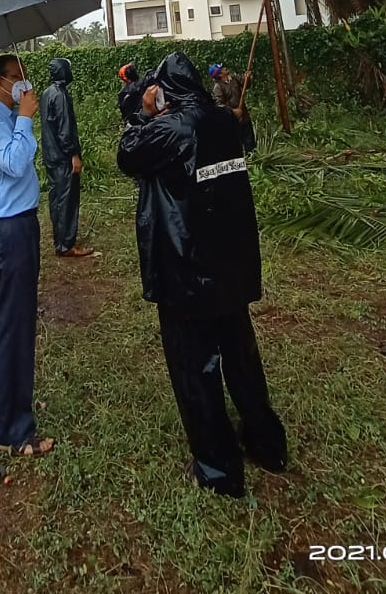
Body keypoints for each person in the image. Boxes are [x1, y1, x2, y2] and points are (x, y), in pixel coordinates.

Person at [117, 52, 286, 498]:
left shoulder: (172, 127)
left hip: (187, 269)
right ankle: (267, 444)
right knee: (242, 358)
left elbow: (128, 154)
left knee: (196, 368)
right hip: (230, 266)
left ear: (168, 93)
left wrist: (141, 110)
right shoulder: (226, 122)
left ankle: (218, 468)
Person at [0, 54, 53, 457]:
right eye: (16, 78)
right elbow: (16, 164)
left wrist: (19, 118)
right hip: (4, 233)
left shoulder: (0, 116)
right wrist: (26, 117)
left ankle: (15, 415)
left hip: (13, 227)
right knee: (9, 329)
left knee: (15, 325)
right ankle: (13, 431)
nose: (23, 84)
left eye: (23, 77)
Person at [39, 59, 93, 258]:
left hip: (51, 155)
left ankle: (60, 240)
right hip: (62, 157)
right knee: (67, 200)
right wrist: (74, 155)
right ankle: (66, 244)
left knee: (57, 199)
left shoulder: (46, 93)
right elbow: (64, 129)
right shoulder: (60, 95)